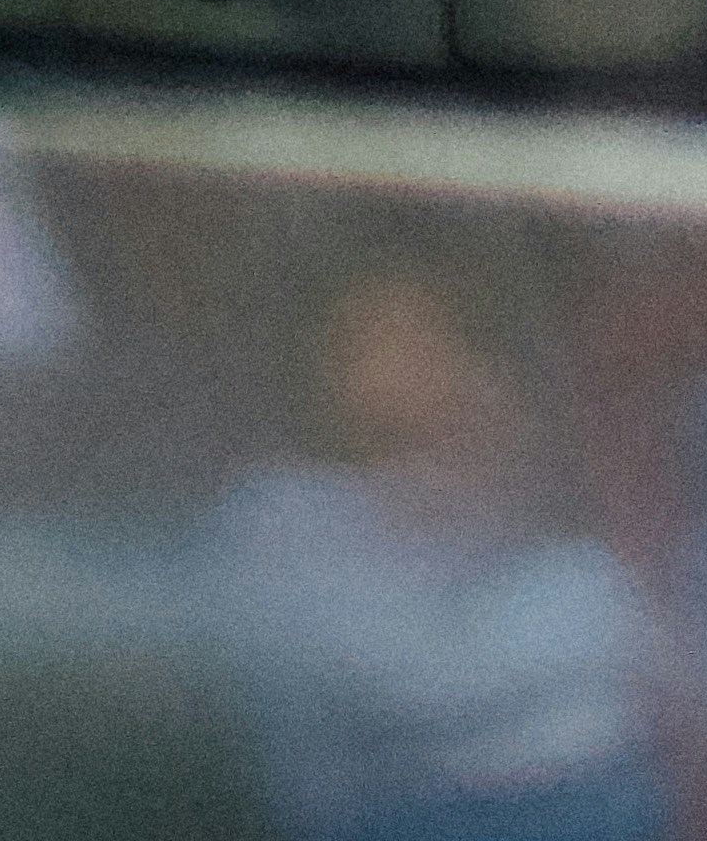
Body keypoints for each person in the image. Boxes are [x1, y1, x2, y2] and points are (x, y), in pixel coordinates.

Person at [199, 273, 670, 841]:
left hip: (586, 804)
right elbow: (423, 686)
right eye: (381, 343)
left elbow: (627, 666)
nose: (420, 362)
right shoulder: (274, 516)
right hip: (397, 816)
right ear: (323, 369)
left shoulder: (501, 497)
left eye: (432, 338)